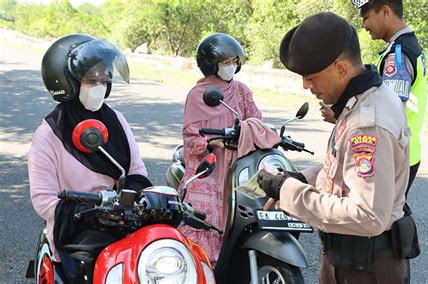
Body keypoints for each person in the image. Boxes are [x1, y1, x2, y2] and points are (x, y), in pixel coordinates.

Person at [257, 12, 415, 283]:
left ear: (341, 68)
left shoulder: (368, 123)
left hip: (363, 269)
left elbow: (367, 215)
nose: (306, 85)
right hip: (355, 260)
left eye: (311, 76)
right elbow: (346, 167)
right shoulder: (366, 97)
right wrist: (302, 178)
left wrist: (290, 191)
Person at [29, 34, 151, 282]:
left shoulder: (117, 120)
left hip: (123, 219)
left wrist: (132, 200)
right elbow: (43, 199)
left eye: (104, 79)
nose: (100, 86)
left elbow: (138, 172)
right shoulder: (48, 134)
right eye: (91, 79)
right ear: (67, 83)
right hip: (78, 230)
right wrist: (89, 212)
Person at [322, 0, 428, 205]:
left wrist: (340, 117)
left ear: (386, 11)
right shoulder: (406, 46)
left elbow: (389, 109)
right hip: (407, 147)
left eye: (366, 16)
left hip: (393, 151)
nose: (363, 24)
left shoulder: (398, 55)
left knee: (382, 218)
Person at [179, 33, 263, 265]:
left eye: (234, 62)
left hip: (238, 164)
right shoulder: (198, 95)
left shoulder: (242, 90)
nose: (232, 67)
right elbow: (190, 137)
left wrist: (246, 131)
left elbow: (257, 121)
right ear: (211, 65)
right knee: (202, 227)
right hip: (209, 165)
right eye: (226, 62)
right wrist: (211, 143)